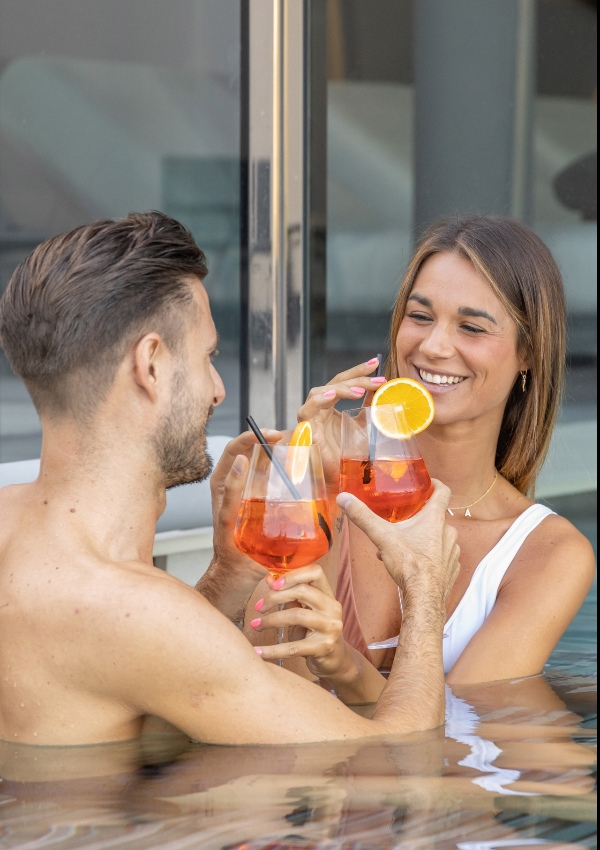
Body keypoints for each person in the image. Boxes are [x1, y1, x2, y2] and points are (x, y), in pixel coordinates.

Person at [0, 211, 460, 747]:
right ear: (151, 365)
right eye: (208, 357)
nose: (218, 389)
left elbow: (139, 670)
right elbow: (403, 755)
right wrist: (424, 589)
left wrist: (228, 574)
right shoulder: (136, 611)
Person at [243, 215, 595, 698]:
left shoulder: (548, 553)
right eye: (420, 317)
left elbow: (454, 733)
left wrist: (347, 668)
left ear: (528, 353)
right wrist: (315, 486)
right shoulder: (330, 477)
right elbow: (266, 686)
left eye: (471, 327)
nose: (433, 346)